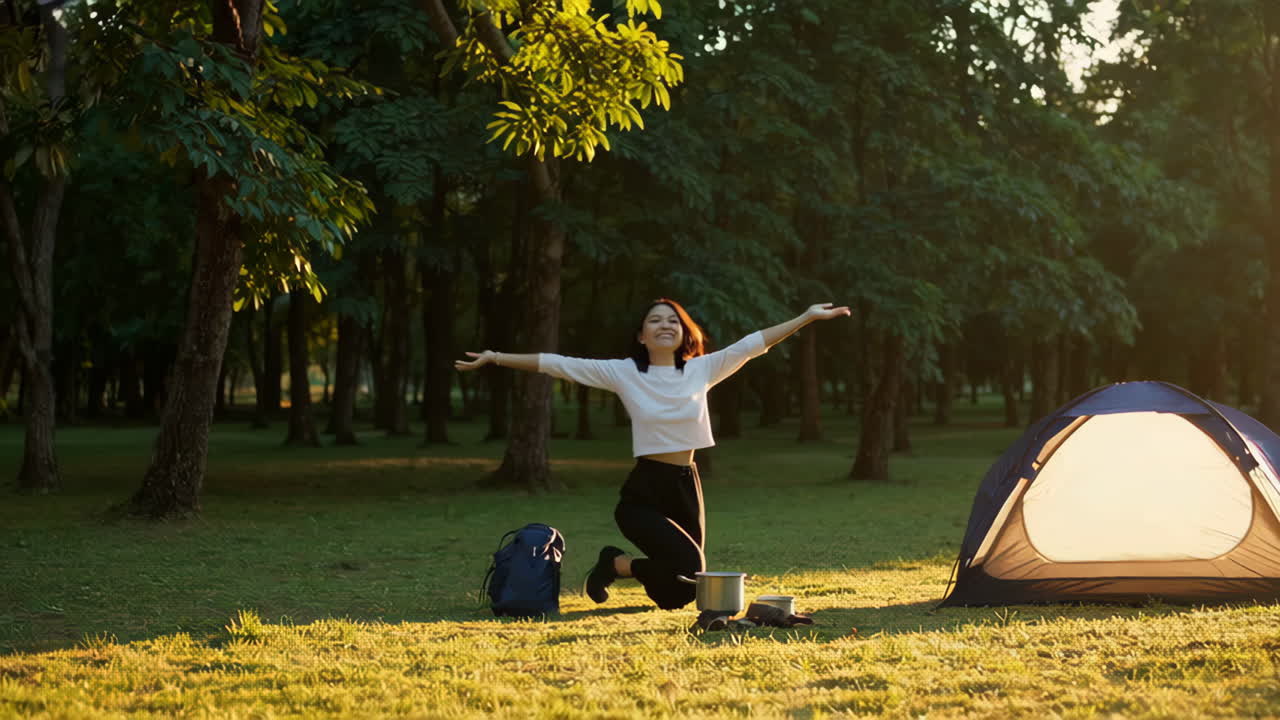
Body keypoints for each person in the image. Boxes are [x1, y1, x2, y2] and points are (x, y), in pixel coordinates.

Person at [455, 299, 851, 626]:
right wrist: (495, 357)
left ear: (684, 332)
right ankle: (614, 560)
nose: (665, 325)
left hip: (685, 485)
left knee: (678, 593)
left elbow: (753, 344)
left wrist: (806, 318)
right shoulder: (624, 373)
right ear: (642, 336)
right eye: (655, 320)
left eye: (673, 320)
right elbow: (558, 363)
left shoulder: (702, 369)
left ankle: (617, 564)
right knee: (692, 564)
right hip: (644, 491)